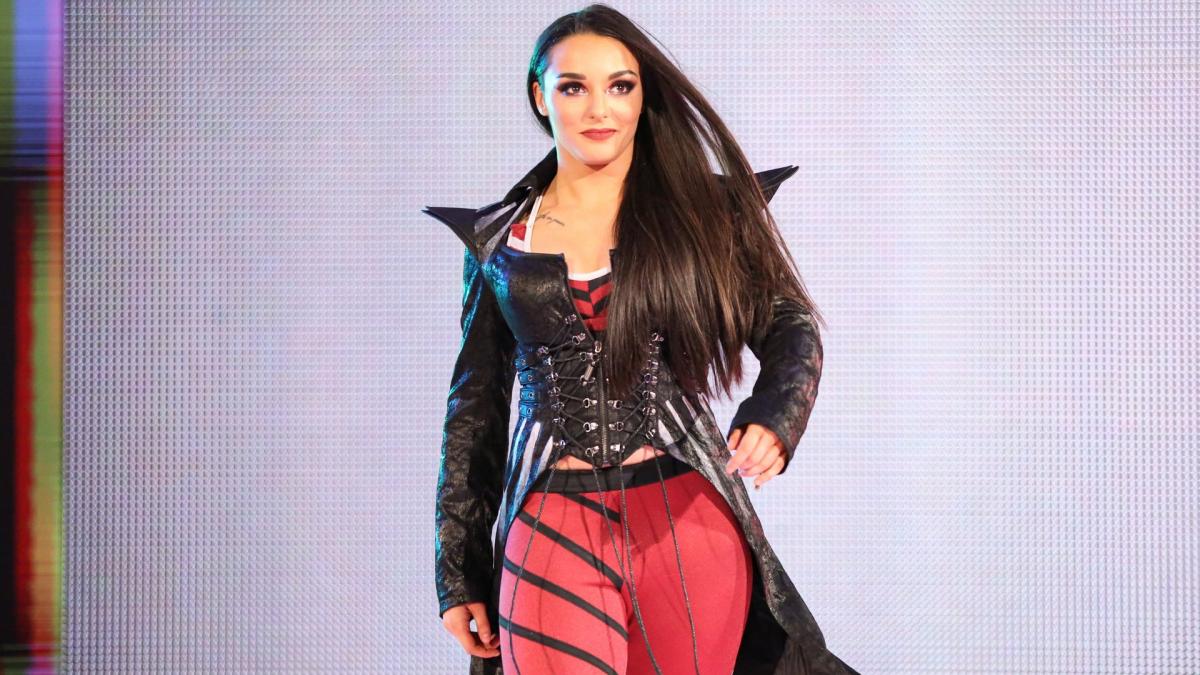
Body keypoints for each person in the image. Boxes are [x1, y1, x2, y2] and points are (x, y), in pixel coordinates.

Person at [424, 4, 860, 674]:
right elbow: (474, 409)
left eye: (620, 85)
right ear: (540, 96)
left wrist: (777, 416)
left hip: (687, 519)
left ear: (641, 96)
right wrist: (458, 572)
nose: (599, 107)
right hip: (551, 521)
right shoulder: (499, 242)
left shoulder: (700, 219)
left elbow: (789, 324)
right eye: (574, 86)